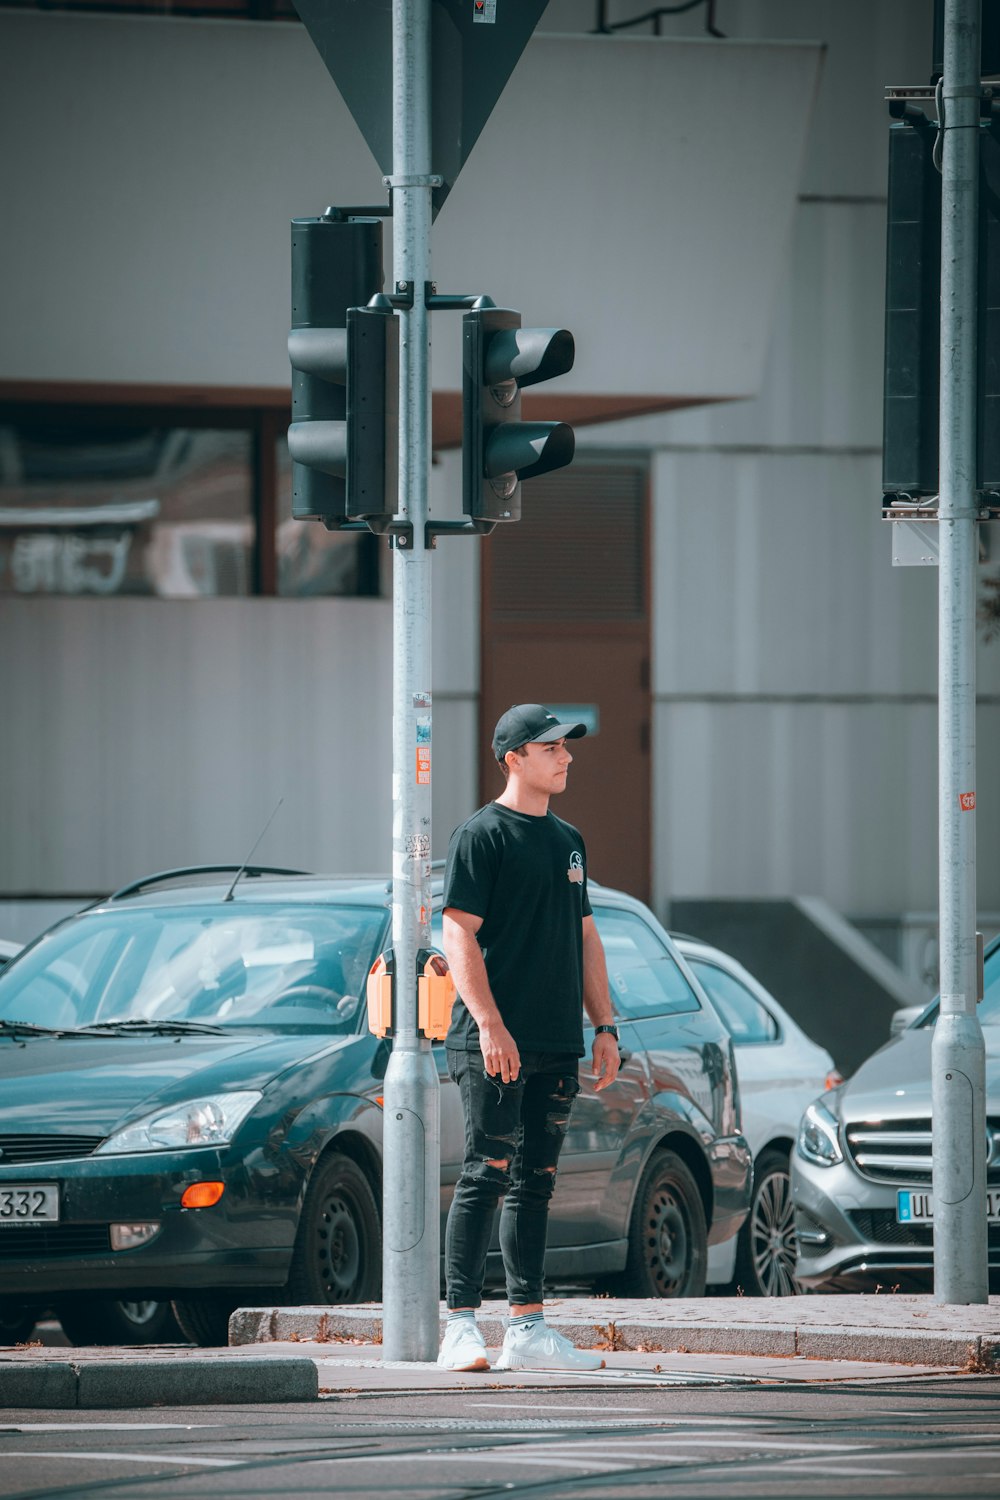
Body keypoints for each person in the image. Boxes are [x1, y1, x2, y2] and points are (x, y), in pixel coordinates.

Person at [436, 702, 622, 1373]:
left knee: (536, 1182)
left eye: (567, 748)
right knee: (484, 1173)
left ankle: (528, 1328)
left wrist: (603, 1024)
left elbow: (585, 936)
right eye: (551, 749)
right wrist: (489, 1023)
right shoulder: (481, 835)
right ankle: (459, 1325)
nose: (565, 757)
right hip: (492, 1039)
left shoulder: (568, 840)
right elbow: (457, 933)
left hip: (555, 1041)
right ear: (514, 756)